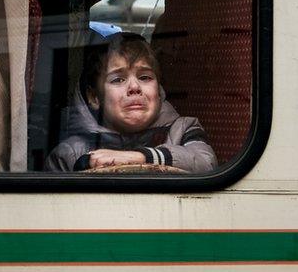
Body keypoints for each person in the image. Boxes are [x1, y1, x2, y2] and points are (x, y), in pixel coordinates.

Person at [45, 32, 217, 173]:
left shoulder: (183, 129)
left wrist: (139, 157)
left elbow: (206, 162)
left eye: (145, 77)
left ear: (158, 90)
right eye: (118, 80)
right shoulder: (71, 153)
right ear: (94, 97)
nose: (134, 87)